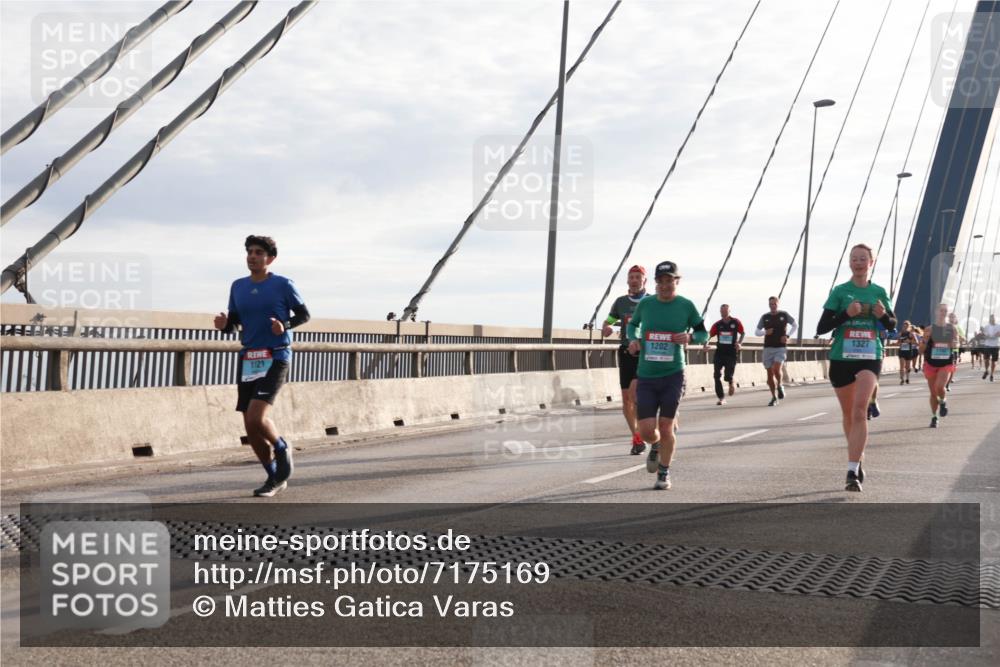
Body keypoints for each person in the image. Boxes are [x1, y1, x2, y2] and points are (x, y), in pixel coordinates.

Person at [215, 235, 311, 497]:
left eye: (258, 252)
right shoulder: (238, 286)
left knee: (258, 417)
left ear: (270, 258)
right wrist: (226, 326)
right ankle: (274, 477)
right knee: (249, 424)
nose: (252, 256)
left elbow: (304, 315)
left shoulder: (283, 284)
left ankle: (281, 447)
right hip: (249, 358)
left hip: (277, 355)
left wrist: (285, 326)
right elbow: (235, 323)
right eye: (249, 252)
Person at [816, 243, 896, 492]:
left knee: (860, 410)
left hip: (869, 356)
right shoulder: (840, 291)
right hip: (841, 357)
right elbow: (821, 327)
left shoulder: (879, 291)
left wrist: (883, 316)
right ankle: (858, 457)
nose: (858, 262)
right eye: (854, 259)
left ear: (871, 263)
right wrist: (846, 314)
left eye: (863, 259)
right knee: (849, 414)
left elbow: (892, 325)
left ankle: (851, 471)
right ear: (849, 263)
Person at [627, 260, 708, 490]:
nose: (665, 285)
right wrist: (633, 339)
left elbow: (703, 333)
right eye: (660, 281)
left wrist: (691, 338)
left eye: (669, 281)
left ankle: (664, 472)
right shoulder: (646, 305)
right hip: (647, 374)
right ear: (655, 283)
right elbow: (632, 326)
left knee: (666, 425)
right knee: (645, 431)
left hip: (673, 373)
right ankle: (656, 445)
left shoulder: (686, 305)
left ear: (677, 281)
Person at [602, 265, 649, 455]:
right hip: (625, 352)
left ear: (644, 280)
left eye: (638, 277)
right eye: (631, 277)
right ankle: (637, 437)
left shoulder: (651, 301)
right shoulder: (620, 302)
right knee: (626, 400)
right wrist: (607, 328)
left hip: (645, 353)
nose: (635, 280)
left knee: (635, 394)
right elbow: (610, 320)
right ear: (628, 281)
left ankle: (647, 430)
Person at [920, 303, 959, 428]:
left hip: (946, 363)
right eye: (941, 310)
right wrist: (925, 340)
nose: (943, 313)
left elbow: (956, 345)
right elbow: (920, 350)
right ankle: (934, 417)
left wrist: (954, 344)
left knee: (939, 386)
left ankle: (943, 401)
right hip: (931, 363)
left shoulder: (952, 329)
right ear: (936, 312)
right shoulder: (929, 329)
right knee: (933, 393)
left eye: (945, 311)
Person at [755, 296, 797, 406]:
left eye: (774, 304)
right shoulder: (765, 317)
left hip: (780, 347)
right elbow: (757, 331)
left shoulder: (784, 314)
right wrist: (765, 332)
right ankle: (774, 397)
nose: (773, 306)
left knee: (776, 368)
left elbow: (795, 325)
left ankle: (780, 385)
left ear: (778, 304)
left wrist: (787, 336)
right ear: (769, 305)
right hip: (768, 347)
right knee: (769, 374)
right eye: (771, 304)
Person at [704, 304, 745, 405]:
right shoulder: (717, 324)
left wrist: (739, 343)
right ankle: (721, 398)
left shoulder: (736, 322)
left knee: (727, 376)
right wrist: (706, 344)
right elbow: (708, 335)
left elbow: (743, 333)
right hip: (720, 352)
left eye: (725, 311)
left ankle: (731, 382)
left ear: (729, 311)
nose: (723, 313)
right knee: (716, 375)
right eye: (722, 311)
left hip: (731, 353)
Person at [946, 312, 965, 391]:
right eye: (950, 317)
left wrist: (958, 336)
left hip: (954, 350)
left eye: (953, 317)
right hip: (944, 349)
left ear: (955, 319)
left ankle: (947, 384)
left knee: (952, 368)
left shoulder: (958, 327)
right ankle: (943, 382)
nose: (951, 319)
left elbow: (964, 339)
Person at [897, 321, 920, 385]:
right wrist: (900, 342)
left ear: (909, 327)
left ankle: (907, 378)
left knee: (907, 366)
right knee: (902, 366)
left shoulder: (911, 334)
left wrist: (909, 341)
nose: (905, 327)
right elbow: (898, 343)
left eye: (906, 326)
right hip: (902, 351)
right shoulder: (900, 334)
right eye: (904, 326)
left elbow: (917, 343)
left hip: (909, 351)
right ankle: (902, 379)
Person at [981, 314, 1000, 381]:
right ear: (989, 319)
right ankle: (986, 371)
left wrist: (998, 334)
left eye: (994, 318)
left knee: (994, 361)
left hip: (995, 345)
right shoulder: (986, 327)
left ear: (995, 319)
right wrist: (986, 336)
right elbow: (984, 335)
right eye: (991, 318)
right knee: (986, 360)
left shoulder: (998, 326)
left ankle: (992, 374)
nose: (992, 319)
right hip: (987, 345)